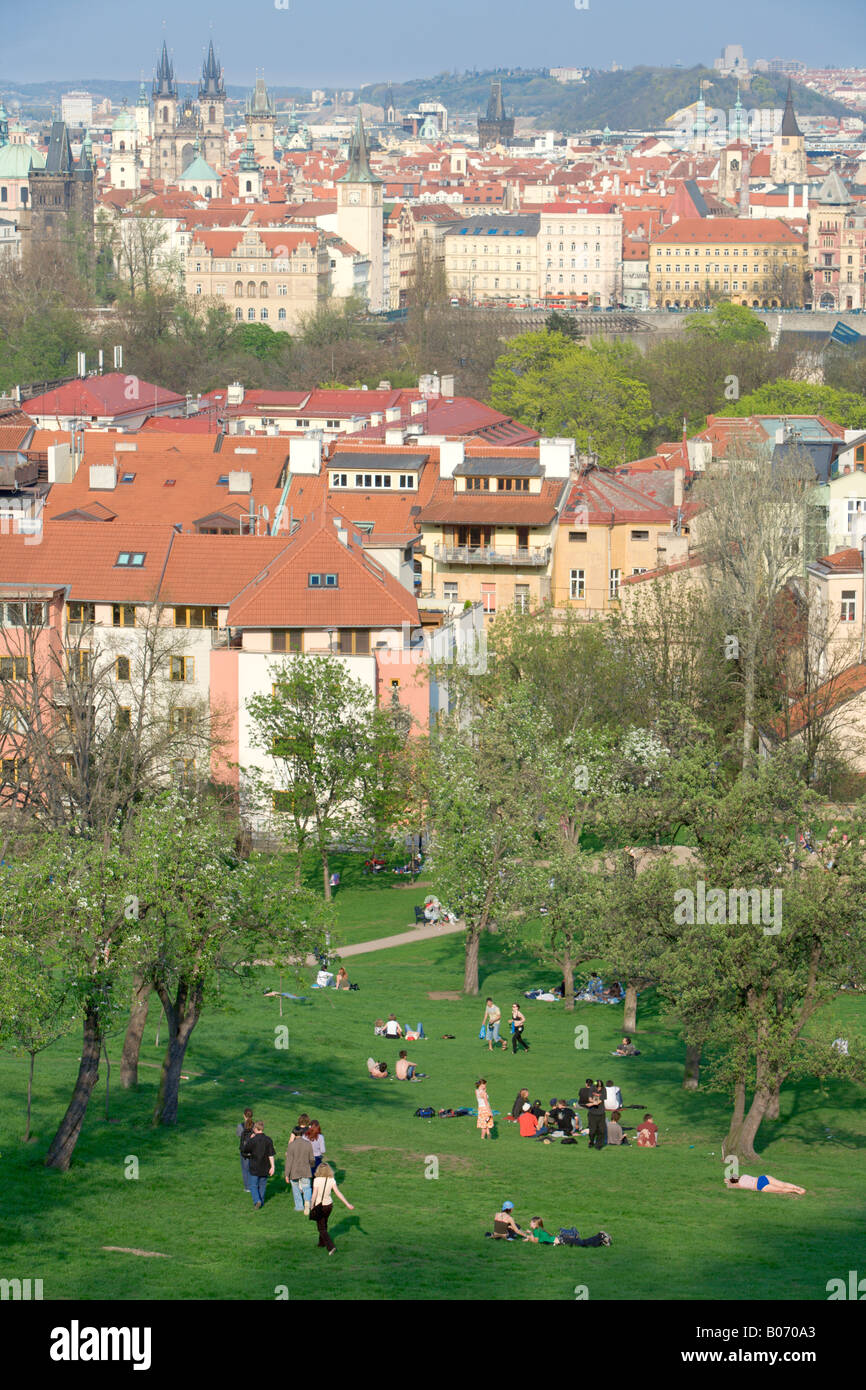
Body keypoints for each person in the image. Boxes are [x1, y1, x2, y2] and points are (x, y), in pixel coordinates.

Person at [309, 1161, 354, 1254]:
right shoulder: (332, 1180)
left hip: (319, 1206)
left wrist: (311, 1205)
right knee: (324, 1223)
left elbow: (314, 1195)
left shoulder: (316, 1180)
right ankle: (321, 1243)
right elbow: (338, 1193)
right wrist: (347, 1204)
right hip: (329, 1206)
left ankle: (331, 1247)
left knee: (321, 1228)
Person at [242, 1120, 275, 1209]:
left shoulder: (253, 1140)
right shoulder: (268, 1140)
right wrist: (273, 1166)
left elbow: (245, 1150)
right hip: (265, 1166)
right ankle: (262, 1202)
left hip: (254, 1166)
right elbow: (271, 1154)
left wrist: (249, 1139)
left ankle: (257, 1201)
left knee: (253, 1185)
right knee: (262, 1185)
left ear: (256, 1129)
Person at [285, 1121, 315, 1215]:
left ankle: (299, 1206)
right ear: (302, 1133)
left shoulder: (291, 1145)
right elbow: (312, 1158)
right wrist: (312, 1165)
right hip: (305, 1169)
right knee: (307, 1188)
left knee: (295, 1188)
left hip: (294, 1171)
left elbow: (289, 1161)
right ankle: (307, 1202)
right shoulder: (308, 1144)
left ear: (294, 1134)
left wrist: (286, 1174)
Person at [725, 1173, 806, 1195]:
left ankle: (796, 1191)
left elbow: (730, 1185)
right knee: (782, 1184)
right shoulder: (744, 1175)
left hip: (760, 1186)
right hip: (762, 1178)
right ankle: (798, 1188)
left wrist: (728, 1181)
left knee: (781, 1190)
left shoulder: (740, 1185)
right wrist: (728, 1178)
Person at [237, 1108, 255, 1194]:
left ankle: (247, 1187)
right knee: (253, 1167)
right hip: (254, 1150)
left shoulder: (240, 1126)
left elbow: (239, 1136)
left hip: (244, 1150)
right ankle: (254, 1185)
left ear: (244, 1115)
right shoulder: (255, 1126)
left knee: (245, 1169)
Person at [586, 1083, 606, 1151]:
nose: (599, 1088)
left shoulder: (604, 1090)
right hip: (592, 1114)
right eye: (598, 1087)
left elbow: (599, 1101)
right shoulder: (592, 1089)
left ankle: (598, 1145)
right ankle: (591, 1142)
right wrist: (592, 1102)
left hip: (601, 1113)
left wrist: (591, 1104)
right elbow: (589, 1098)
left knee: (601, 1130)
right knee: (592, 1131)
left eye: (600, 1087)